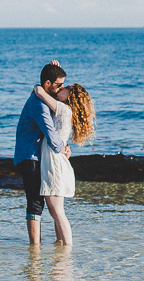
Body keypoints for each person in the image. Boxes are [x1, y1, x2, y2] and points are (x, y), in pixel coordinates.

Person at [14, 60, 71, 245]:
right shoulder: (39, 104)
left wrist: (65, 145)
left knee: (47, 203)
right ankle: (35, 247)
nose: (62, 88)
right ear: (48, 84)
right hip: (30, 155)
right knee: (35, 202)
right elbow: (51, 134)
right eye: (59, 85)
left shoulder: (45, 97)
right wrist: (62, 148)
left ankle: (52, 243)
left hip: (39, 155)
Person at [33, 81, 95, 245]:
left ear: (71, 96)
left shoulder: (64, 110)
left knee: (57, 211)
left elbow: (40, 91)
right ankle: (60, 245)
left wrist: (38, 86)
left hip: (55, 164)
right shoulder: (65, 111)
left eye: (66, 88)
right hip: (57, 163)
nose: (62, 87)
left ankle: (67, 248)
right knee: (56, 212)